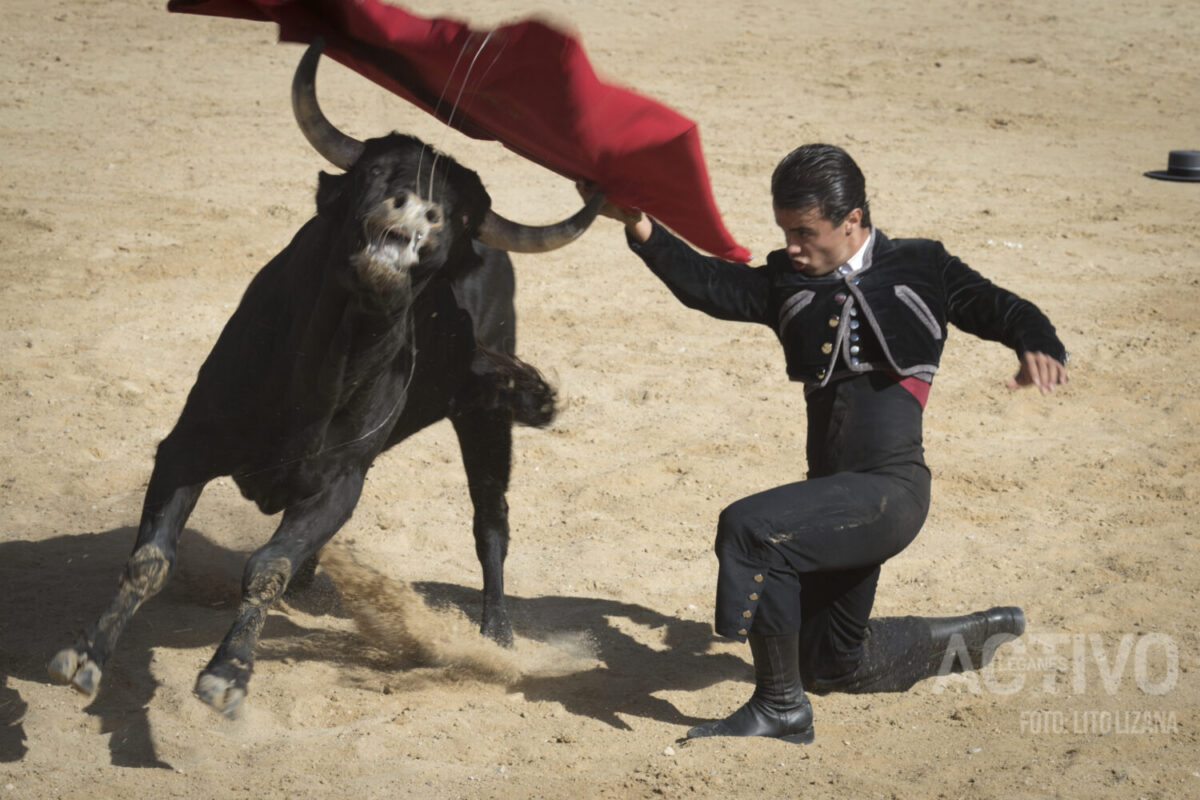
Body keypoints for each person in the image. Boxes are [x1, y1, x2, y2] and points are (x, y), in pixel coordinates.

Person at [583, 143, 1068, 744]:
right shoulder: (787, 281)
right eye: (786, 231)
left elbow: (1003, 307)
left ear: (853, 221)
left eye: (805, 233)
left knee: (752, 529)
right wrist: (640, 225)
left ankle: (780, 707)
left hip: (889, 493)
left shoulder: (923, 265)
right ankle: (973, 636)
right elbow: (709, 284)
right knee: (830, 663)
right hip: (836, 501)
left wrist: (1037, 342)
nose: (792, 246)